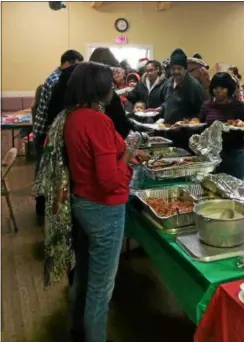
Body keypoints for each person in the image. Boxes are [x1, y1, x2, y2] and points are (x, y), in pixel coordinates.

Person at [62, 62, 135, 342]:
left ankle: (77, 328)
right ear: (99, 87)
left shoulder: (74, 115)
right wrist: (128, 158)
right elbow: (109, 180)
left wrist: (125, 153)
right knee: (101, 288)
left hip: (83, 201)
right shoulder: (98, 120)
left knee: (84, 274)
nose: (113, 89)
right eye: (110, 84)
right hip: (104, 207)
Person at [33, 49, 83, 222]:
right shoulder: (57, 80)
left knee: (43, 170)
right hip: (47, 132)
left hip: (43, 130)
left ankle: (42, 210)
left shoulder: (54, 76)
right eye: (76, 65)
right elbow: (56, 111)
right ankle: (44, 212)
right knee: (47, 172)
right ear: (68, 63)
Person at [199, 72, 244, 180]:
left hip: (234, 155)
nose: (218, 90)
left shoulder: (238, 106)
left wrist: (240, 128)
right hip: (212, 156)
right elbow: (200, 125)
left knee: (234, 191)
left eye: (223, 87)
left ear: (229, 89)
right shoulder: (207, 106)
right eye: (215, 87)